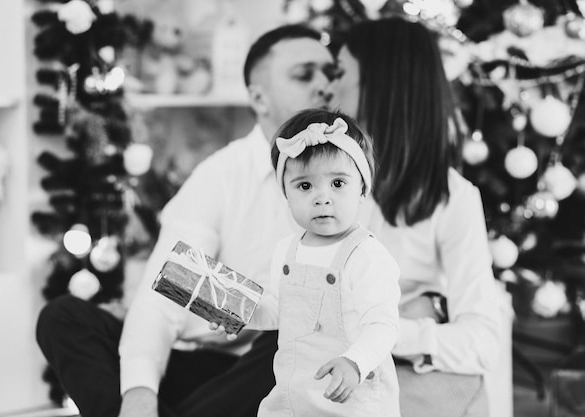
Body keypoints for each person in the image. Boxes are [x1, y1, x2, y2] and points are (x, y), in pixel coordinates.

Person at [35, 24, 336, 417]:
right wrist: (139, 393)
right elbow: (165, 292)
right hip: (197, 363)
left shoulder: (349, 178)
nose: (324, 86)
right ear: (259, 97)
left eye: (331, 74)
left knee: (292, 334)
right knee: (63, 317)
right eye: (304, 74)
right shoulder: (220, 176)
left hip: (271, 368)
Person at [330, 16, 502, 417]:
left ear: (382, 81)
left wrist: (386, 332)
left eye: (340, 73)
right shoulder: (320, 180)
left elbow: (481, 343)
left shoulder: (452, 198)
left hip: (397, 389)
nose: (328, 88)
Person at [213, 109, 401, 415]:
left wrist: (355, 362)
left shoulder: (365, 255)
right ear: (285, 194)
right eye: (304, 186)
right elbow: (279, 311)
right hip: (296, 395)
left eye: (338, 183)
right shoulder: (287, 251)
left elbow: (383, 326)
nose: (322, 197)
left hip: (351, 400)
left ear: (363, 189)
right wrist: (240, 311)